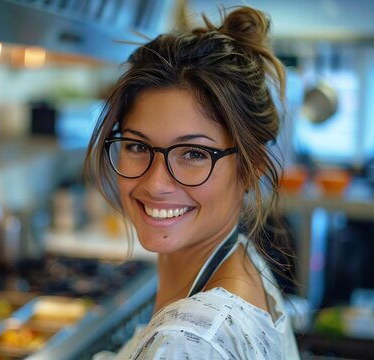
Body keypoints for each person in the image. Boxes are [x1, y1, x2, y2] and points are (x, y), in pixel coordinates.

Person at [85, 5, 300, 360]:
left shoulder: (189, 340)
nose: (155, 183)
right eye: (138, 146)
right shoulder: (242, 259)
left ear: (251, 168)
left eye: (194, 154)